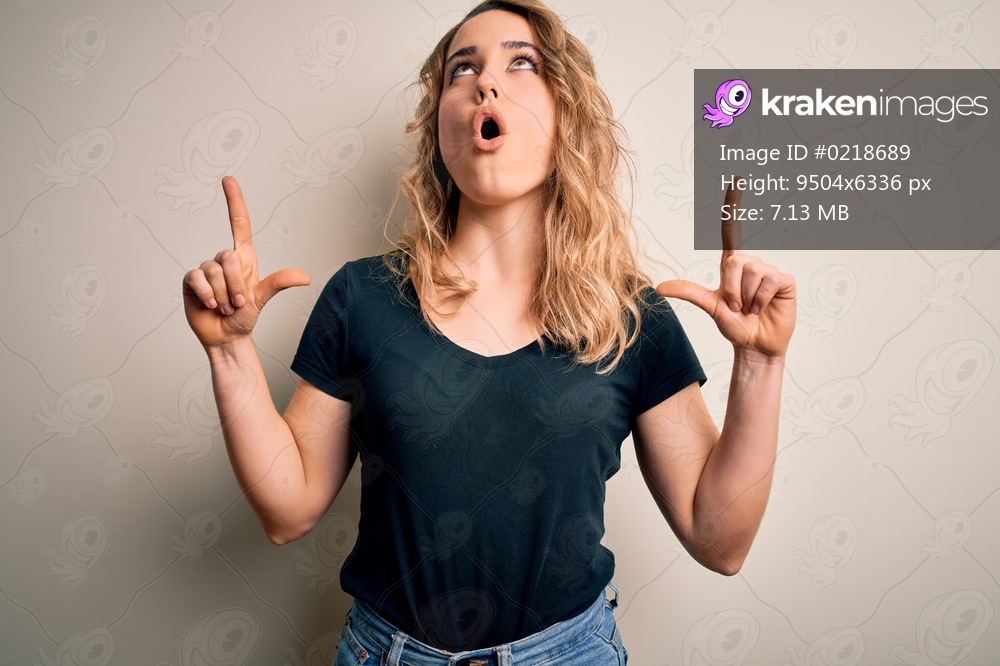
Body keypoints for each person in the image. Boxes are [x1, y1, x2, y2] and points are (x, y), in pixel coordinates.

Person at [181, 1, 796, 663]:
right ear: (443, 126)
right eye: (461, 69)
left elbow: (720, 540)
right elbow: (288, 509)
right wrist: (228, 352)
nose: (485, 82)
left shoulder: (630, 316)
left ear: (565, 114)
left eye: (520, 62)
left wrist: (761, 362)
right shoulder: (360, 298)